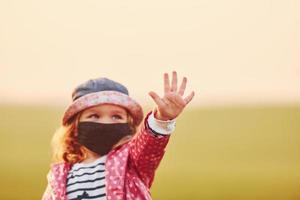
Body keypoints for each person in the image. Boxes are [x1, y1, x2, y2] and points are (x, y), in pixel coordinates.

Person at [42, 71, 195, 200]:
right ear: (75, 127)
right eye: (94, 116)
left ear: (128, 126)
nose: (106, 123)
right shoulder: (59, 176)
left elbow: (149, 144)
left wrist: (162, 119)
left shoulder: (132, 162)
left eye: (116, 117)